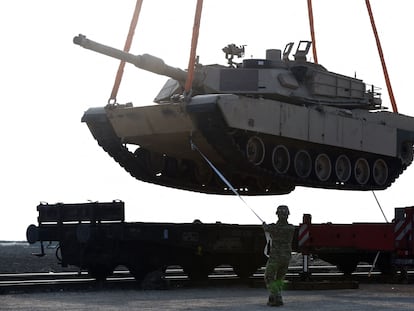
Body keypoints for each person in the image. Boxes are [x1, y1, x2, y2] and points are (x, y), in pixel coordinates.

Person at [262, 205, 295, 307]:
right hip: (286, 257)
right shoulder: (291, 228)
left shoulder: (273, 228)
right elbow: (275, 229)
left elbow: (269, 229)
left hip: (276, 257)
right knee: (280, 278)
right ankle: (274, 297)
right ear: (288, 215)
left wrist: (265, 226)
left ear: (277, 214)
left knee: (268, 276)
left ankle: (276, 296)